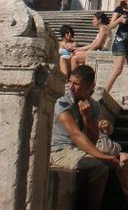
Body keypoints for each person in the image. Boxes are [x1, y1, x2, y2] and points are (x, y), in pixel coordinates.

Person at [49, 65, 123, 210]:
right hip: (58, 151)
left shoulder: (93, 106)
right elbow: (75, 135)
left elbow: (92, 141)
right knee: (100, 167)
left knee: (113, 167)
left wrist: (87, 118)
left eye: (76, 84)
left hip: (78, 151)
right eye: (70, 82)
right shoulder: (62, 101)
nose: (71, 86)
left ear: (90, 87)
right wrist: (104, 157)